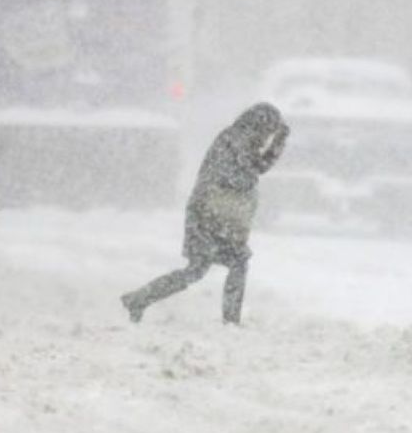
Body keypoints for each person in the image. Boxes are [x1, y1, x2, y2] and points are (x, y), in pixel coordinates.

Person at [121, 102, 290, 326]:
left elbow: (256, 168)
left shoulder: (239, 140)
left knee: (210, 267)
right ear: (259, 125)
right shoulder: (234, 140)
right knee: (209, 267)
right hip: (208, 216)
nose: (267, 136)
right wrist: (274, 147)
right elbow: (248, 173)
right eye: (268, 131)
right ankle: (228, 321)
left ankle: (140, 299)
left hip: (218, 216)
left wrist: (278, 144)